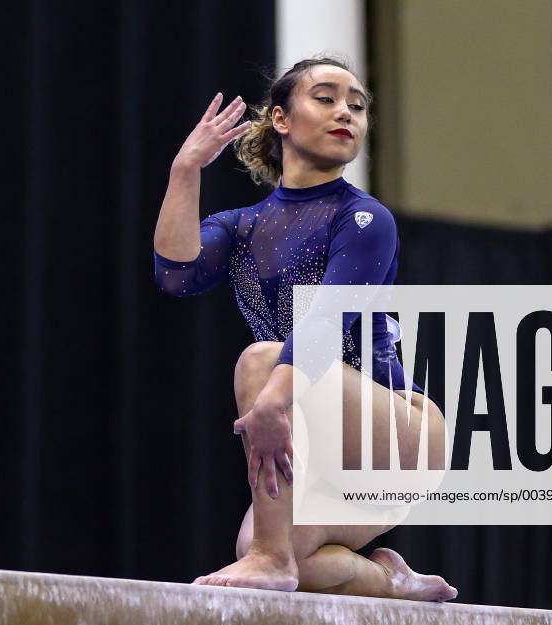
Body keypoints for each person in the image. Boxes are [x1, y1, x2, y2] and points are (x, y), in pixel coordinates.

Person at [152, 56, 457, 602]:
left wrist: (274, 393)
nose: (347, 112)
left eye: (358, 105)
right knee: (273, 551)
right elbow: (176, 275)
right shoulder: (242, 227)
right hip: (327, 457)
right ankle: (389, 579)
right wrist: (185, 171)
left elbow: (327, 316)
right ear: (281, 119)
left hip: (395, 430)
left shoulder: (363, 219)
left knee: (261, 359)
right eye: (326, 97)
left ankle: (271, 558)